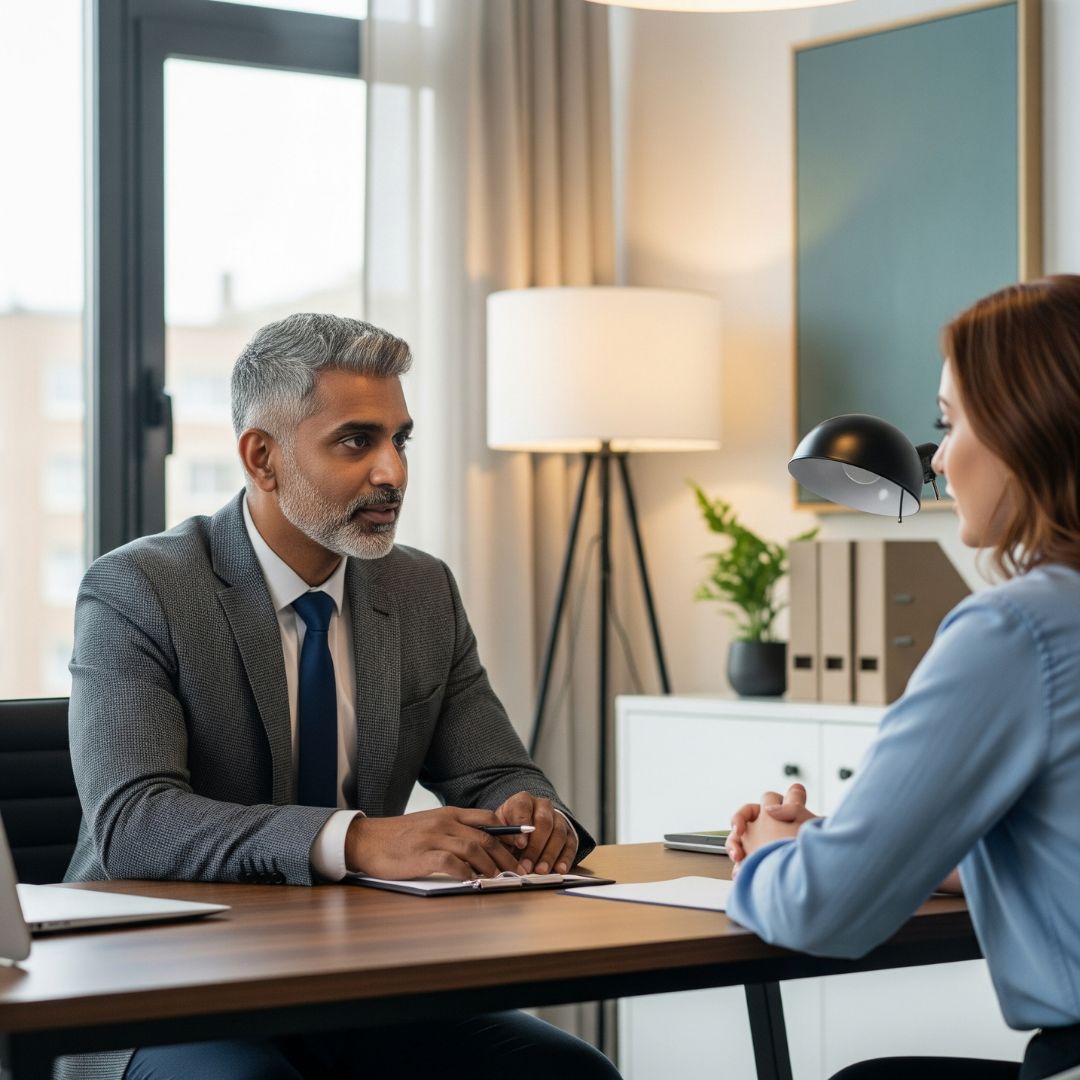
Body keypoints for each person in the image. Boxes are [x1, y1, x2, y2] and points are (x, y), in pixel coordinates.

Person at [60, 314, 621, 1080]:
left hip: (363, 979)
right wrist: (358, 839)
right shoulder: (142, 589)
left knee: (569, 1074)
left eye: (401, 439)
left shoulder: (422, 590)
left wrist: (530, 810)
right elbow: (134, 822)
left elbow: (495, 772)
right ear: (263, 458)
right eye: (357, 441)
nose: (392, 471)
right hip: (162, 985)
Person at [724, 275, 1080, 1080]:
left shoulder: (1017, 631)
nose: (940, 460)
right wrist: (871, 849)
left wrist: (779, 853)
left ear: (1032, 427)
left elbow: (827, 912)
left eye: (948, 423)